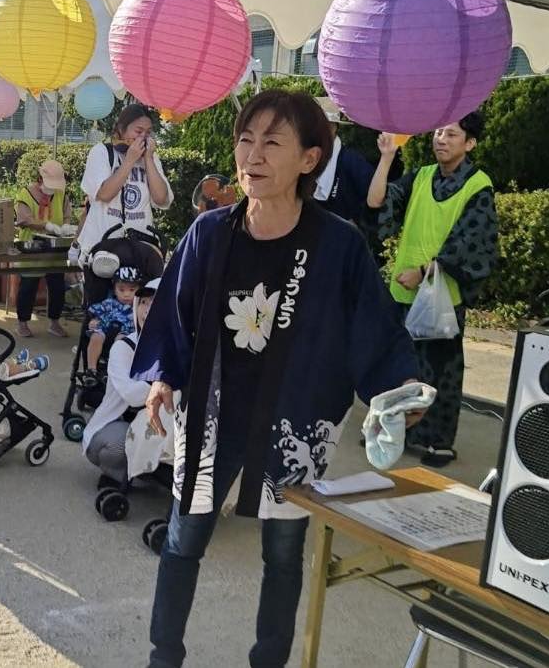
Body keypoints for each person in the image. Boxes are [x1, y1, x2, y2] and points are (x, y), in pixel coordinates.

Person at [133, 89, 423, 668]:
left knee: (284, 551)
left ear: (309, 159)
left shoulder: (338, 243)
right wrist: (163, 377)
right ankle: (163, 657)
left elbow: (374, 325)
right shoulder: (209, 232)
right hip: (213, 410)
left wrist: (395, 394)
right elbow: (175, 311)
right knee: (183, 538)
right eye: (246, 140)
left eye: (272, 142)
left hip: (297, 413)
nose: (253, 155)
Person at [367, 113, 498, 467]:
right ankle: (394, 430)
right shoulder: (422, 176)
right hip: (404, 293)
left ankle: (437, 441)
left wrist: (425, 271)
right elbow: (377, 202)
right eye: (439, 131)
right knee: (397, 365)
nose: (441, 138)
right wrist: (386, 158)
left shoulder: (478, 185)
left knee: (440, 372)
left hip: (442, 300)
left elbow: (472, 243)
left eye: (451, 134)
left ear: (470, 143)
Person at [83, 276, 161, 484]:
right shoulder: (123, 348)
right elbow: (133, 396)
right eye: (143, 302)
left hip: (156, 424)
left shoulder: (179, 346)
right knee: (117, 447)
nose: (146, 310)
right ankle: (116, 474)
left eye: (155, 303)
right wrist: (165, 377)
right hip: (119, 423)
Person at [76, 104, 173, 262]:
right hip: (102, 248)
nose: (143, 137)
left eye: (148, 133)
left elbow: (161, 198)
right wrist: (129, 160)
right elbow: (104, 194)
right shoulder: (101, 152)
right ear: (121, 129)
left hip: (139, 249)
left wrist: (148, 159)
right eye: (138, 131)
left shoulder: (151, 158)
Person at [14, 159, 72, 338]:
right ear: (40, 179)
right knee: (28, 286)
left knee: (57, 286)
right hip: (32, 247)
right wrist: (46, 225)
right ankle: (22, 323)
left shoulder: (61, 194)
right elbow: (24, 219)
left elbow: (67, 213)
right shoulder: (25, 194)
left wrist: (65, 226)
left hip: (55, 248)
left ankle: (54, 322)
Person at [311, 97, 374, 224]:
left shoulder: (351, 160)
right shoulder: (306, 160)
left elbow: (374, 199)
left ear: (334, 127)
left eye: (324, 126)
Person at [87, 266, 142, 371]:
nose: (126, 294)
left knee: (121, 341)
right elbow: (96, 311)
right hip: (105, 328)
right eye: (121, 290)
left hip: (126, 332)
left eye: (132, 290)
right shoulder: (109, 303)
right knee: (95, 337)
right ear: (114, 290)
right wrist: (94, 320)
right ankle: (91, 368)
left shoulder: (138, 307)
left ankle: (115, 366)